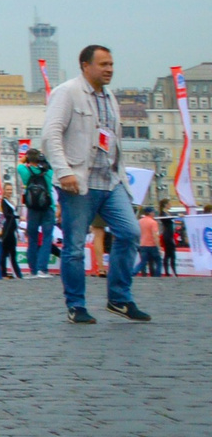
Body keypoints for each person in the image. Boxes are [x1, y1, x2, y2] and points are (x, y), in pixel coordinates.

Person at [42, 42, 147, 326]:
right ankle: (76, 305)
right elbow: (50, 134)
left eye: (111, 64)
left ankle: (118, 298)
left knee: (129, 232)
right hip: (80, 182)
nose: (109, 69)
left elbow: (112, 139)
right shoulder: (67, 92)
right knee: (74, 247)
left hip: (111, 181)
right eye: (103, 64)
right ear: (85, 66)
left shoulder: (110, 97)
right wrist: (64, 172)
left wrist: (122, 176)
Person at [18, 149, 55, 276]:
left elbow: (19, 165)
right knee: (47, 238)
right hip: (47, 207)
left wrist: (25, 160)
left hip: (32, 209)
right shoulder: (48, 173)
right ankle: (42, 269)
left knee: (32, 239)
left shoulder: (25, 172)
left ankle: (33, 270)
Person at [136, 204, 161, 278]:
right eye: (153, 212)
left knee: (143, 262)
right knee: (158, 262)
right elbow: (155, 235)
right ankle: (156, 276)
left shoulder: (139, 221)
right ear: (150, 213)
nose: (154, 213)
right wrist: (158, 247)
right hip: (152, 245)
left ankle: (133, 273)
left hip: (142, 244)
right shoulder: (153, 222)